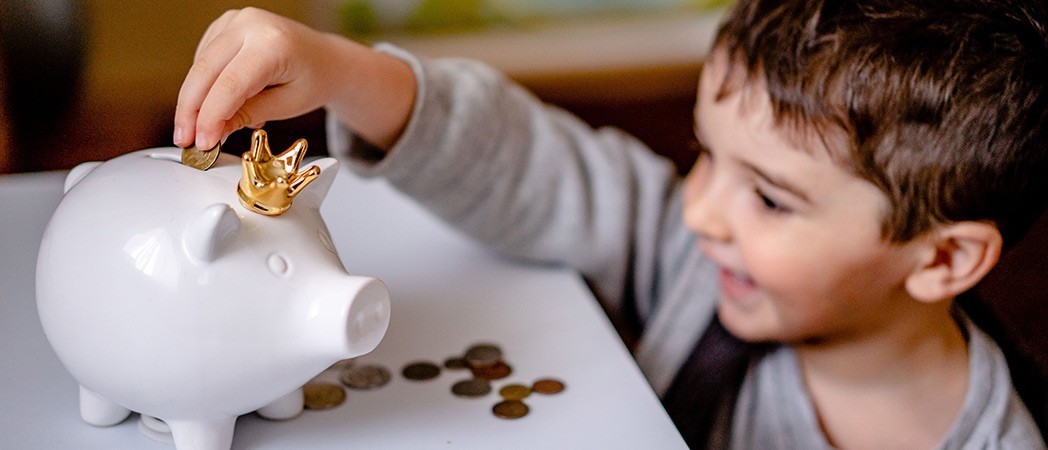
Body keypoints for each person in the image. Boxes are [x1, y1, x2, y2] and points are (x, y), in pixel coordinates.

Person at [173, 1, 1048, 448]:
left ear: (943, 260)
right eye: (705, 154)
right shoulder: (693, 255)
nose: (697, 209)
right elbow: (528, 160)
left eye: (771, 199)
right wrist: (341, 71)